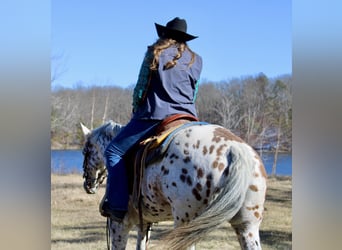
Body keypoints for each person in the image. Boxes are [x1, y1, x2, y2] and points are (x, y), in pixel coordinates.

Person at [100, 17, 203, 222]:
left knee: (113, 151)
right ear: (185, 39)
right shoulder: (196, 60)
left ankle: (118, 207)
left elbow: (141, 88)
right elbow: (194, 93)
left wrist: (136, 109)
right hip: (188, 117)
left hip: (155, 115)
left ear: (164, 35)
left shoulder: (155, 52)